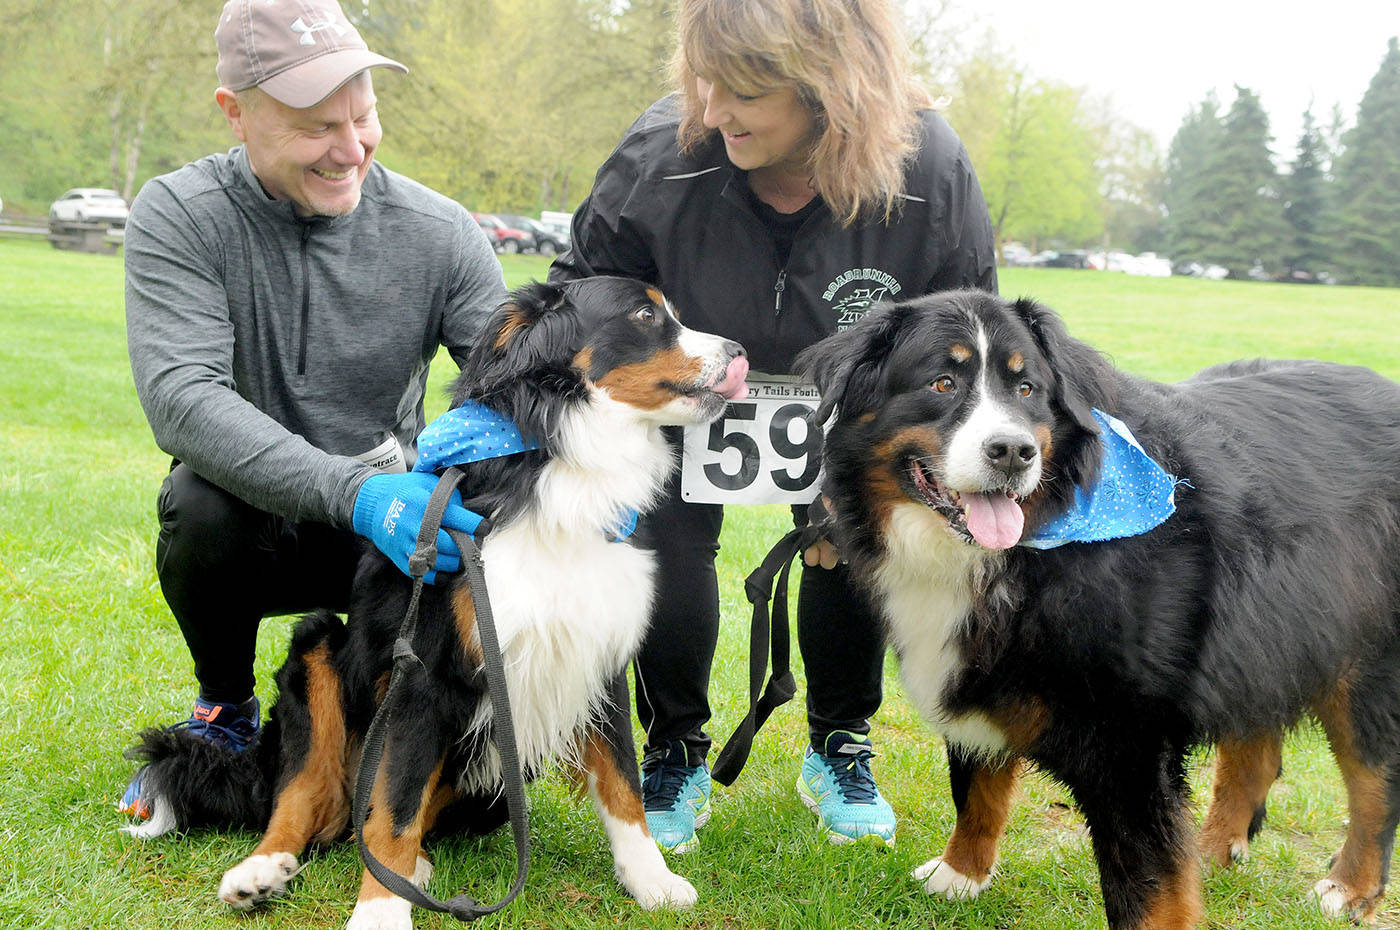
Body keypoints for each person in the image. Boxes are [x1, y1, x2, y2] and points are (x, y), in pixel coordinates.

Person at [550, 0, 997, 851]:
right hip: (691, 382)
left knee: (861, 538)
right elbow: (583, 293)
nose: (711, 111)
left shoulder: (929, 166)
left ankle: (839, 743)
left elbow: (968, 337)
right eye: (702, 80)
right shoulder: (661, 151)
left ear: (830, 89)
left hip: (851, 399)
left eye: (744, 92)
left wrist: (871, 472)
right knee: (665, 542)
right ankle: (673, 745)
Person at [117, 0, 505, 819]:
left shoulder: (442, 233)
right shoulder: (179, 214)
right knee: (198, 505)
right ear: (237, 113)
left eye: (363, 117)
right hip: (263, 519)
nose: (350, 148)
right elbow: (183, 401)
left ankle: (438, 719)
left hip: (395, 531)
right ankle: (224, 711)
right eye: (316, 127)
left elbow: (506, 386)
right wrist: (351, 491)